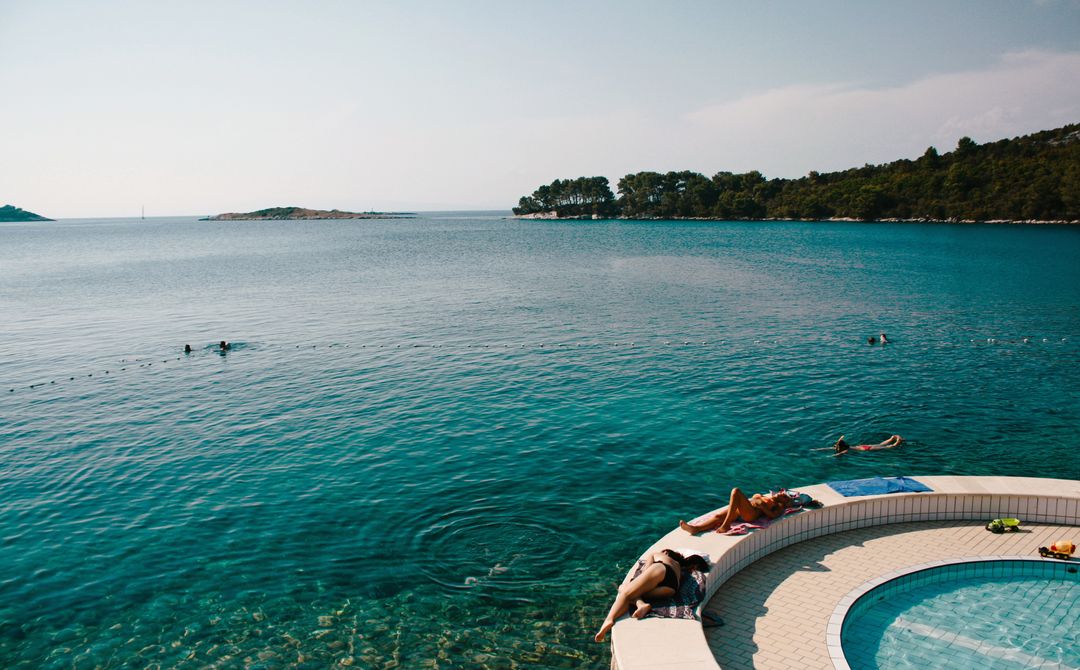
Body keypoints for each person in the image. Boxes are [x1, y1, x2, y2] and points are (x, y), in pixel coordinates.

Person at [594, 548, 708, 643]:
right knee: (631, 592)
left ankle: (609, 619)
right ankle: (641, 604)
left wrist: (640, 579)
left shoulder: (660, 555)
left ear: (666, 553)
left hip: (661, 570)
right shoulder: (677, 566)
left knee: (625, 590)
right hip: (671, 589)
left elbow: (646, 570)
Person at [678, 488, 793, 535]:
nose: (782, 492)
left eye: (785, 495)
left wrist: (763, 507)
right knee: (718, 516)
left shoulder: (778, 506)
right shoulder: (764, 496)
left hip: (751, 514)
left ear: (785, 501)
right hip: (742, 511)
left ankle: (726, 525)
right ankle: (695, 529)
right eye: (782, 491)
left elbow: (773, 515)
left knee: (736, 491)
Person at [832, 434, 903, 455]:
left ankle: (896, 443)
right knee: (880, 444)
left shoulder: (845, 450)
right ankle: (891, 439)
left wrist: (832, 455)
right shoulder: (847, 447)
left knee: (887, 448)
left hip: (866, 449)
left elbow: (838, 454)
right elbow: (836, 447)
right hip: (864, 446)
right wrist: (821, 449)